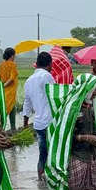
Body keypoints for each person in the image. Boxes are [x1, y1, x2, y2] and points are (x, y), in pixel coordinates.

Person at [43, 74, 96, 190]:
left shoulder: (90, 107)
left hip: (92, 154)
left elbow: (94, 129)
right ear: (87, 89)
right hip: (77, 156)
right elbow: (64, 135)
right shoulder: (71, 108)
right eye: (95, 89)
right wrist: (85, 138)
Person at [22, 52, 56, 182]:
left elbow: (27, 103)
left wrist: (25, 123)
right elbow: (55, 96)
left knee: (42, 153)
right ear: (50, 64)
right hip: (51, 122)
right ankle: (52, 180)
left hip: (38, 124)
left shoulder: (29, 80)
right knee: (53, 152)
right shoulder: (47, 76)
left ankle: (40, 179)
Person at [0, 47, 19, 131]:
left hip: (4, 91)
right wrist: (5, 85)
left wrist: (1, 87)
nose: (14, 57)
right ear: (11, 56)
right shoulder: (12, 65)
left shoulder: (1, 65)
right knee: (7, 109)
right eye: (14, 55)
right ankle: (5, 128)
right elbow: (12, 78)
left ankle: (11, 128)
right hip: (10, 90)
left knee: (10, 108)